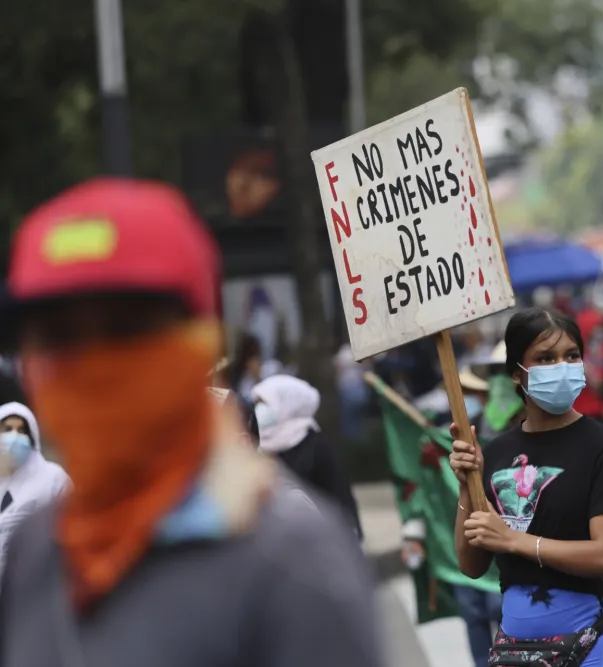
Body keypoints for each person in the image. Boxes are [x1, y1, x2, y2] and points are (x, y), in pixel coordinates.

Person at [0, 178, 380, 666]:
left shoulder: (294, 566)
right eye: (56, 337)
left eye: (122, 330)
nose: (89, 367)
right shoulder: (37, 548)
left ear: (198, 342)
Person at [450, 308, 603, 667]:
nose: (561, 366)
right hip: (513, 651)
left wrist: (513, 541)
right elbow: (471, 564)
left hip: (588, 649)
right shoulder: (497, 453)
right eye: (545, 358)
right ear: (518, 374)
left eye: (571, 355)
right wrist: (465, 487)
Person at [407, 367, 502, 667]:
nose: (471, 399)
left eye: (476, 393)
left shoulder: (519, 434)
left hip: (505, 549)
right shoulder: (457, 438)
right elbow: (430, 483)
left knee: (501, 612)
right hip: (467, 536)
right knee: (472, 612)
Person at [253, 374, 362, 538]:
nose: (260, 410)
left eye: (265, 404)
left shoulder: (316, 447)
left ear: (286, 404)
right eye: (257, 404)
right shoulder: (261, 446)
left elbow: (340, 496)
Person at [0, 402, 69, 574]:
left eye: (22, 430)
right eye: (7, 429)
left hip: (37, 582)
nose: (14, 437)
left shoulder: (53, 477)